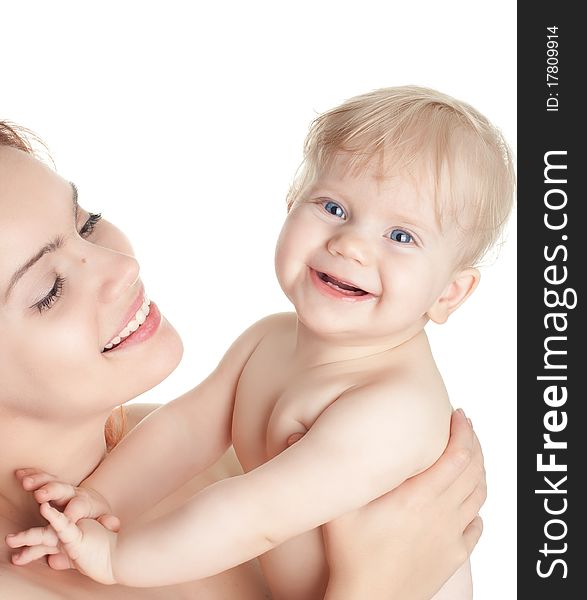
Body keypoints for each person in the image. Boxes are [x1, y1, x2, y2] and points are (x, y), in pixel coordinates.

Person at [1, 116, 487, 600]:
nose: (124, 267)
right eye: (49, 289)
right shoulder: (270, 340)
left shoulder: (391, 408)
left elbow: (251, 514)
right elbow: (191, 430)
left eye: (87, 222)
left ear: (450, 292)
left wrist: (108, 539)